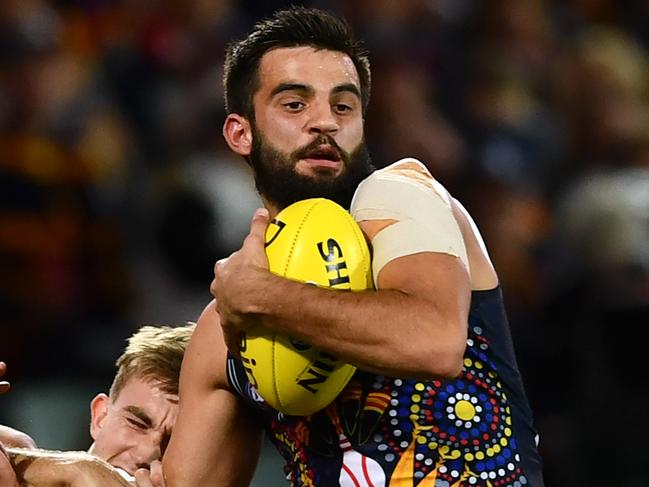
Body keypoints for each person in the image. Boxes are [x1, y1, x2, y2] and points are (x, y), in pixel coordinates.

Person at [163, 7, 544, 486]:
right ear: (241, 133)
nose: (325, 121)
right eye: (294, 104)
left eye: (343, 106)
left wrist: (268, 297)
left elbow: (436, 341)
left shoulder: (398, 195)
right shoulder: (223, 327)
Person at [0, 323, 194, 487]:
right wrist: (76, 468)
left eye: (173, 441)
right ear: (100, 416)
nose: (146, 454)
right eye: (137, 424)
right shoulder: (15, 466)